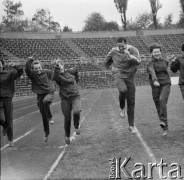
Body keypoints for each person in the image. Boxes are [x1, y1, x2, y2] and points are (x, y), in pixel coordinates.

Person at [104, 37, 141, 133]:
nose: (120, 48)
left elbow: (138, 62)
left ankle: (131, 125)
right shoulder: (113, 51)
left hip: (130, 77)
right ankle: (122, 107)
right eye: (118, 46)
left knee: (131, 101)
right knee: (123, 90)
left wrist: (129, 55)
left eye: (122, 46)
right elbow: (105, 63)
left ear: (126, 44)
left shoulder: (133, 50)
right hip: (119, 75)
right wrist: (111, 68)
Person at [25, 56, 54, 142]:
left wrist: (57, 66)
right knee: (43, 115)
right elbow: (27, 70)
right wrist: (29, 61)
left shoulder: (47, 72)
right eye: (36, 69)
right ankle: (46, 133)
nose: (38, 70)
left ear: (42, 66)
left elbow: (56, 74)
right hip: (40, 96)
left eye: (39, 68)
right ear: (33, 69)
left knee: (45, 102)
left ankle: (50, 117)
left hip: (49, 93)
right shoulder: (33, 75)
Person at [52, 58, 81, 145]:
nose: (58, 68)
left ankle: (76, 126)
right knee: (67, 118)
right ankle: (67, 135)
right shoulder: (57, 76)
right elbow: (54, 77)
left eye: (59, 66)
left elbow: (76, 70)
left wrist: (77, 79)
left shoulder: (70, 71)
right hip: (65, 99)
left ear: (63, 65)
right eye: (56, 67)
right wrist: (56, 69)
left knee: (76, 112)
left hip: (75, 96)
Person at [147, 43, 171, 136]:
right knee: (159, 106)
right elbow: (151, 71)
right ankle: (165, 128)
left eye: (158, 51)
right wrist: (155, 80)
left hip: (165, 84)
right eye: (155, 52)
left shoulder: (165, 61)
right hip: (155, 86)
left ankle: (163, 121)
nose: (157, 53)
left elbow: (169, 70)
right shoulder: (149, 63)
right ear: (151, 53)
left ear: (160, 52)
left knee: (162, 100)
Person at [0, 60, 23, 147]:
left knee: (9, 120)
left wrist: (14, 66)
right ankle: (4, 125)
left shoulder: (9, 74)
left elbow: (20, 71)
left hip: (7, 99)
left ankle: (10, 139)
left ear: (2, 65)